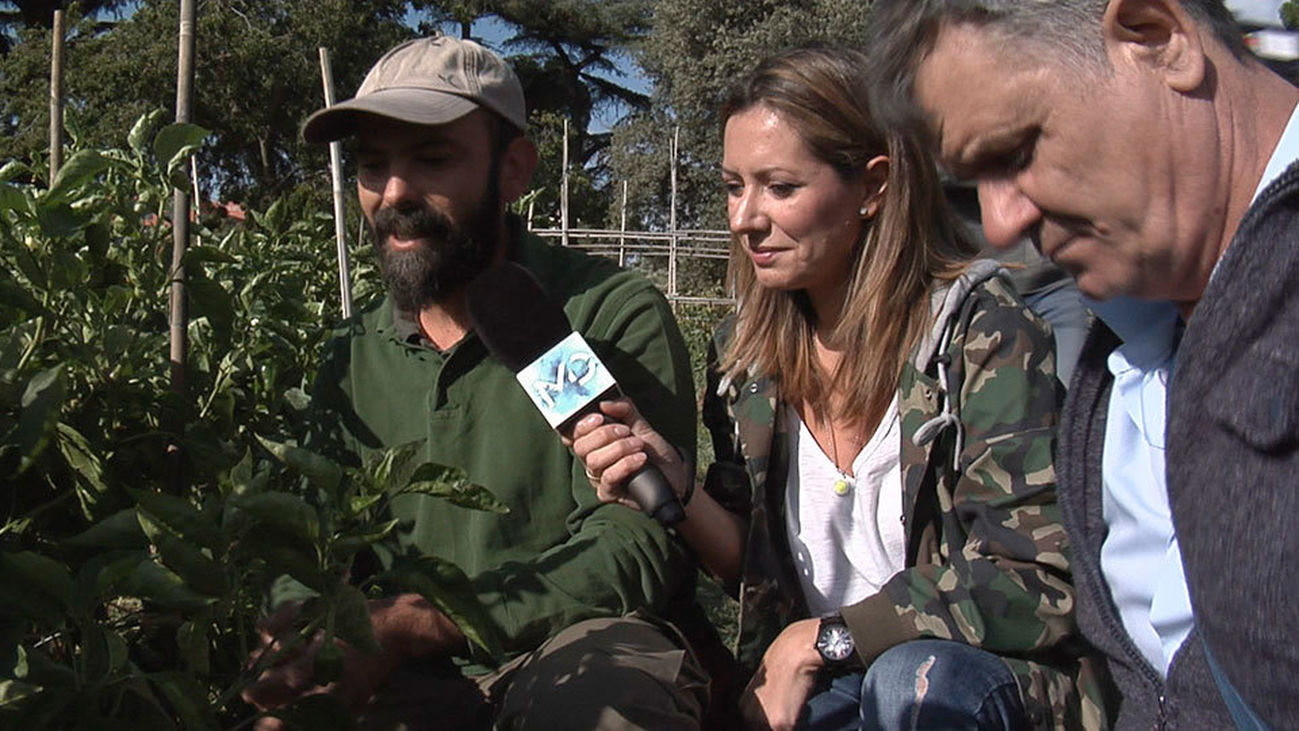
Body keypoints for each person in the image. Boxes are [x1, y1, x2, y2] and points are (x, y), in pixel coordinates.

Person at [570, 46, 1106, 730]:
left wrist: (831, 636)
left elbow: (1036, 580)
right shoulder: (744, 359)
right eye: (734, 185)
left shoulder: (980, 333)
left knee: (912, 681)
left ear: (873, 187)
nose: (744, 218)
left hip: (968, 683)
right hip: (824, 687)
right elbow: (757, 573)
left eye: (779, 187)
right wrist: (679, 488)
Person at [240, 35, 709, 730]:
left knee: (600, 704)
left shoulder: (600, 313)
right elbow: (316, 531)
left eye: (432, 159)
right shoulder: (353, 352)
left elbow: (635, 540)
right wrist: (305, 625)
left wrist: (428, 619)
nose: (394, 192)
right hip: (403, 668)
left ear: (513, 169)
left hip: (569, 645)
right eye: (372, 165)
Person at [865, 1, 1299, 727]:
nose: (1001, 223)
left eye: (1017, 150)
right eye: (972, 182)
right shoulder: (1128, 347)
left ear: (1156, 39)